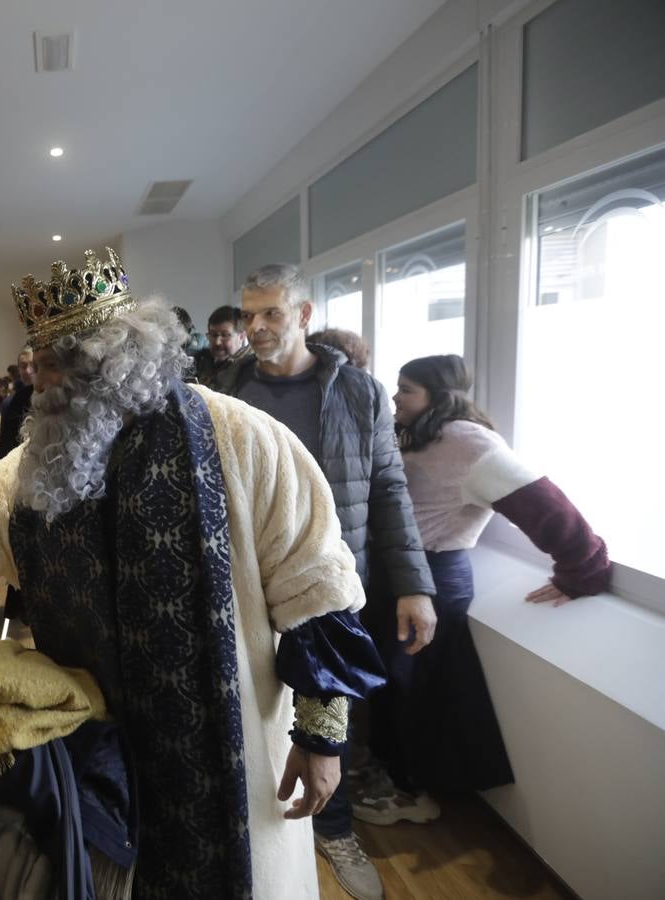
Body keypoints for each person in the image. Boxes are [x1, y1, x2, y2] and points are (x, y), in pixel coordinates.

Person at [0, 248, 384, 900]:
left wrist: (322, 737)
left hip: (225, 742)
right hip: (92, 731)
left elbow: (316, 594)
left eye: (49, 369)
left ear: (103, 363)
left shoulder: (243, 438)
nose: (36, 386)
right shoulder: (44, 456)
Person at [224, 263, 435, 900]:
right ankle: (259, 831)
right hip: (248, 580)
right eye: (249, 315)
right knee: (255, 707)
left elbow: (389, 489)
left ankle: (335, 827)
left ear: (304, 316)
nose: (256, 327)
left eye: (271, 314)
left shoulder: (360, 393)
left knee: (333, 716)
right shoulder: (222, 388)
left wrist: (414, 583)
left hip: (334, 577)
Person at [353, 354, 610, 821]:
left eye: (406, 389)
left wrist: (583, 569)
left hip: (431, 579)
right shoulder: (420, 433)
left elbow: (546, 505)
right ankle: (390, 780)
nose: (395, 397)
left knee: (415, 692)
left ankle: (412, 793)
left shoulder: (469, 442)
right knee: (391, 688)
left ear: (437, 396)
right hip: (397, 576)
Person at [192, 305, 249, 390]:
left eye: (225, 335)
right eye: (213, 335)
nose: (217, 342)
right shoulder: (200, 361)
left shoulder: (250, 370)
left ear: (241, 336)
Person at [0, 348, 36, 456]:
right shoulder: (9, 402)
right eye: (23, 366)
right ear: (19, 369)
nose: (28, 371)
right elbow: (5, 441)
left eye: (32, 365)